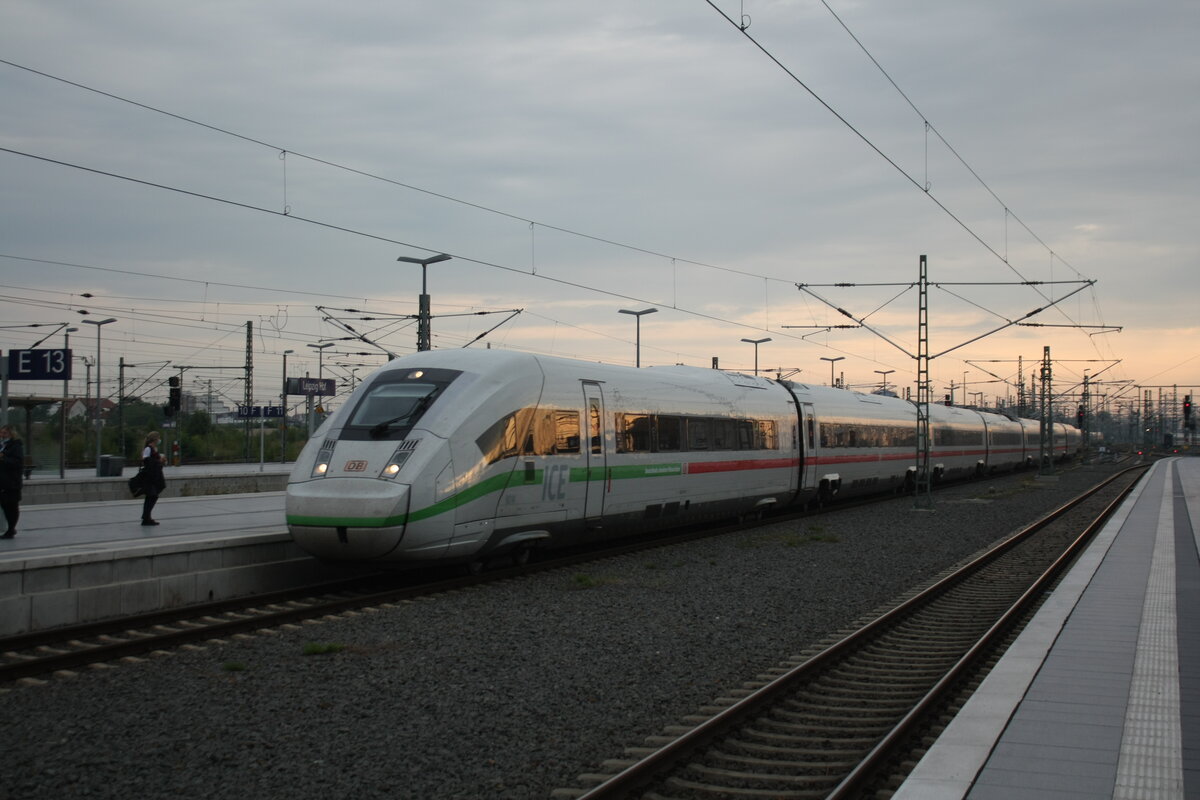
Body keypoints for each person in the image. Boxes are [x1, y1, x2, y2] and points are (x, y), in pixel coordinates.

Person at [0, 425, 24, 538]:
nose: (2, 435)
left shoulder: (16, 446)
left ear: (11, 434)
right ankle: (10, 529)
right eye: (1, 433)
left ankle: (11, 529)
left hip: (12, 482)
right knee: (4, 505)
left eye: (5, 433)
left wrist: (3, 458)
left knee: (11, 506)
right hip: (2, 481)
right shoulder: (2, 445)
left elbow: (17, 462)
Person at [140, 431, 167, 526]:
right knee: (152, 496)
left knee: (151, 497)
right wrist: (158, 460)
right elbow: (146, 461)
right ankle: (146, 517)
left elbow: (154, 462)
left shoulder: (154, 449)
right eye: (158, 438)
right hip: (149, 477)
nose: (159, 440)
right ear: (155, 439)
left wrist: (161, 461)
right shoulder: (148, 449)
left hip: (155, 476)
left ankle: (146, 517)